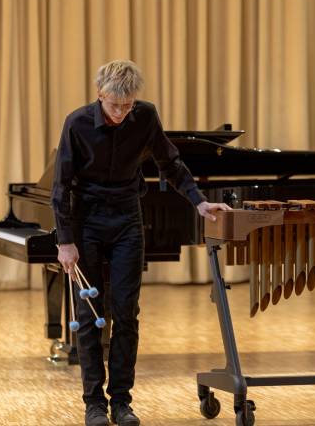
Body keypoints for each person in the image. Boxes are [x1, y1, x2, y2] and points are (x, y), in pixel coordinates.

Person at [51, 59, 231, 426]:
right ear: (100, 95)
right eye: (115, 105)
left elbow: (170, 163)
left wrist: (198, 201)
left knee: (127, 314)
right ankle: (94, 404)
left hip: (127, 220)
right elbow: (60, 187)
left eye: (128, 105)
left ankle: (121, 401)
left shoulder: (145, 116)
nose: (121, 113)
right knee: (89, 317)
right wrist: (65, 241)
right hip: (86, 223)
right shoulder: (77, 123)